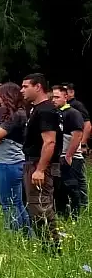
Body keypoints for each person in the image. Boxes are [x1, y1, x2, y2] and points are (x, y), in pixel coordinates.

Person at [21, 73, 63, 252]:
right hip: (35, 162)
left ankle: (52, 248)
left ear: (38, 87)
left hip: (40, 164)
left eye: (25, 86)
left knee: (40, 206)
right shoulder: (37, 109)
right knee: (35, 204)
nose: (22, 90)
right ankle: (46, 243)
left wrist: (40, 169)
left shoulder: (45, 110)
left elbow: (50, 142)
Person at [0, 83, 31, 236]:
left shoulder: (15, 115)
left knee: (9, 202)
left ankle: (13, 233)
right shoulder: (12, 113)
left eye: (1, 95)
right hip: (7, 161)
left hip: (9, 163)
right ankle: (26, 233)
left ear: (8, 96)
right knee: (17, 201)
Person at [52, 85, 87, 219]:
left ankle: (75, 214)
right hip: (57, 157)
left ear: (65, 97)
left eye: (57, 97)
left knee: (72, 185)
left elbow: (77, 135)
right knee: (59, 187)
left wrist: (69, 155)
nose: (54, 100)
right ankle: (62, 213)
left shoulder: (72, 113)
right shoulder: (55, 113)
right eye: (52, 97)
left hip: (71, 157)